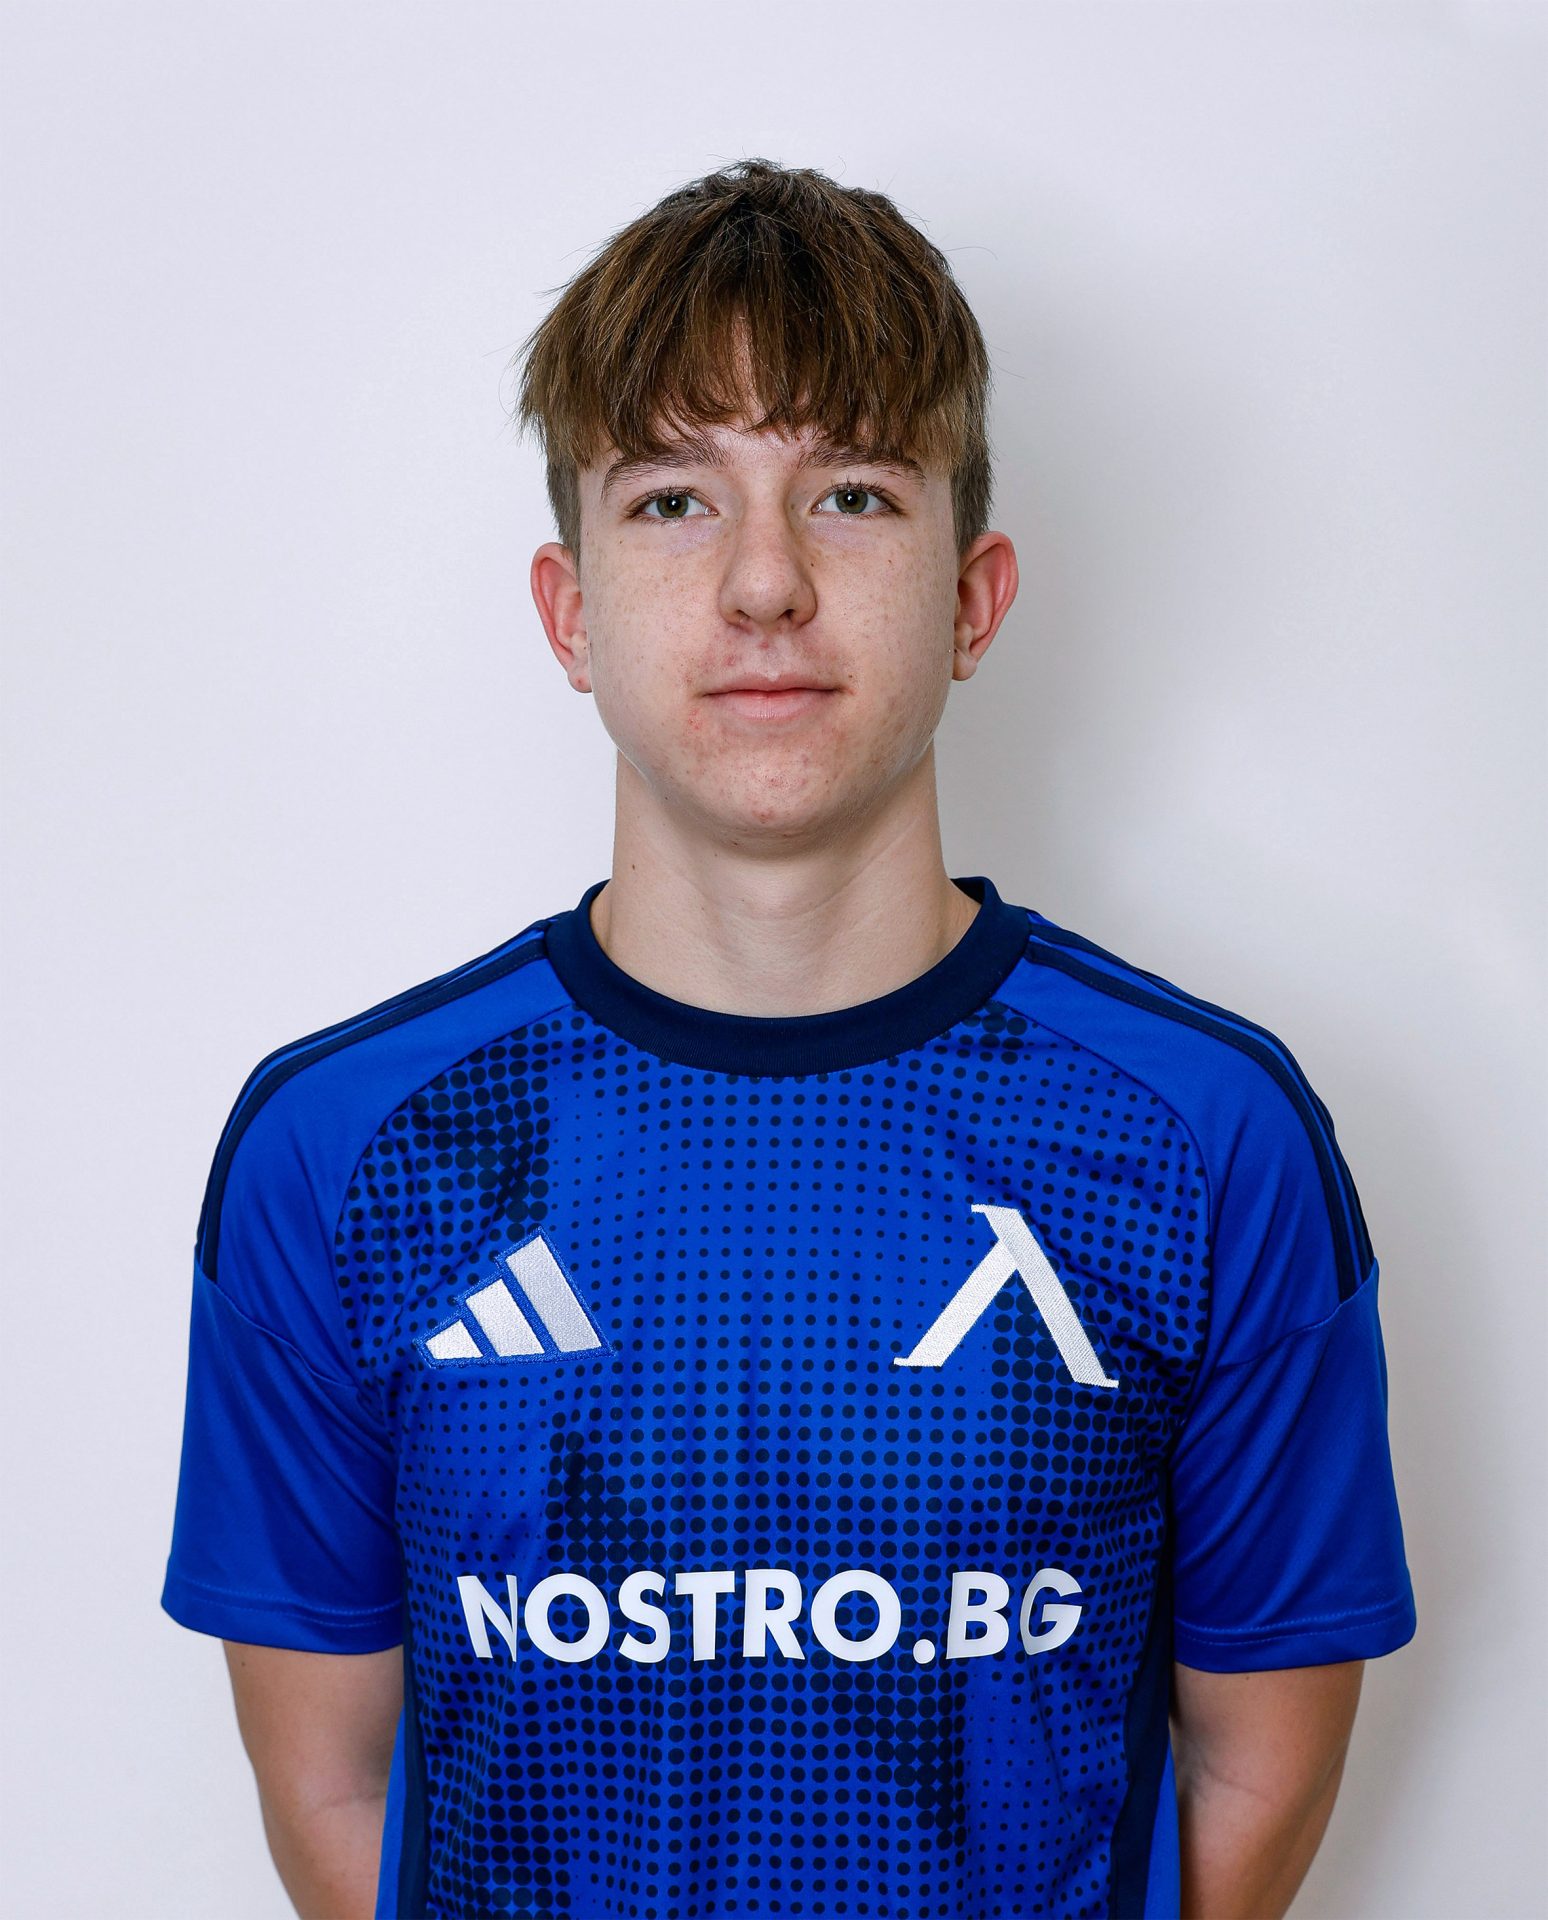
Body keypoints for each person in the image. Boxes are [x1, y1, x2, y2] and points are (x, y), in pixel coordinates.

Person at [161, 158, 1416, 1920]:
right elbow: (335, 1780)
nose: (764, 582)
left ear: (973, 599)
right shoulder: (346, 1148)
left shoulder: (1205, 1134)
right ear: (569, 609)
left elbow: (1257, 1763)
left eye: (851, 494)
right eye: (674, 499)